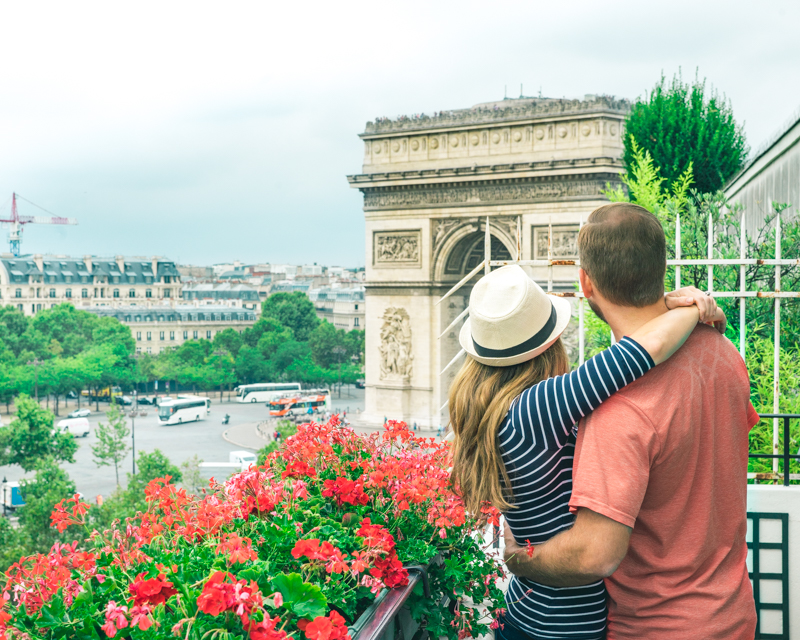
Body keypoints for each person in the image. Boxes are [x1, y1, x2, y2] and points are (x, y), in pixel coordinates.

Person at [502, 203, 757, 639]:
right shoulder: (723, 354)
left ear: (586, 282)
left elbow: (594, 557)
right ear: (660, 267)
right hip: (732, 615)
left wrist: (519, 559)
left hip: (654, 627)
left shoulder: (616, 408)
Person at [449, 262, 722, 640]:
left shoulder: (494, 410)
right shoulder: (538, 406)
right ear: (548, 344)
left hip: (524, 612)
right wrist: (695, 307)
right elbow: (645, 349)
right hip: (565, 625)